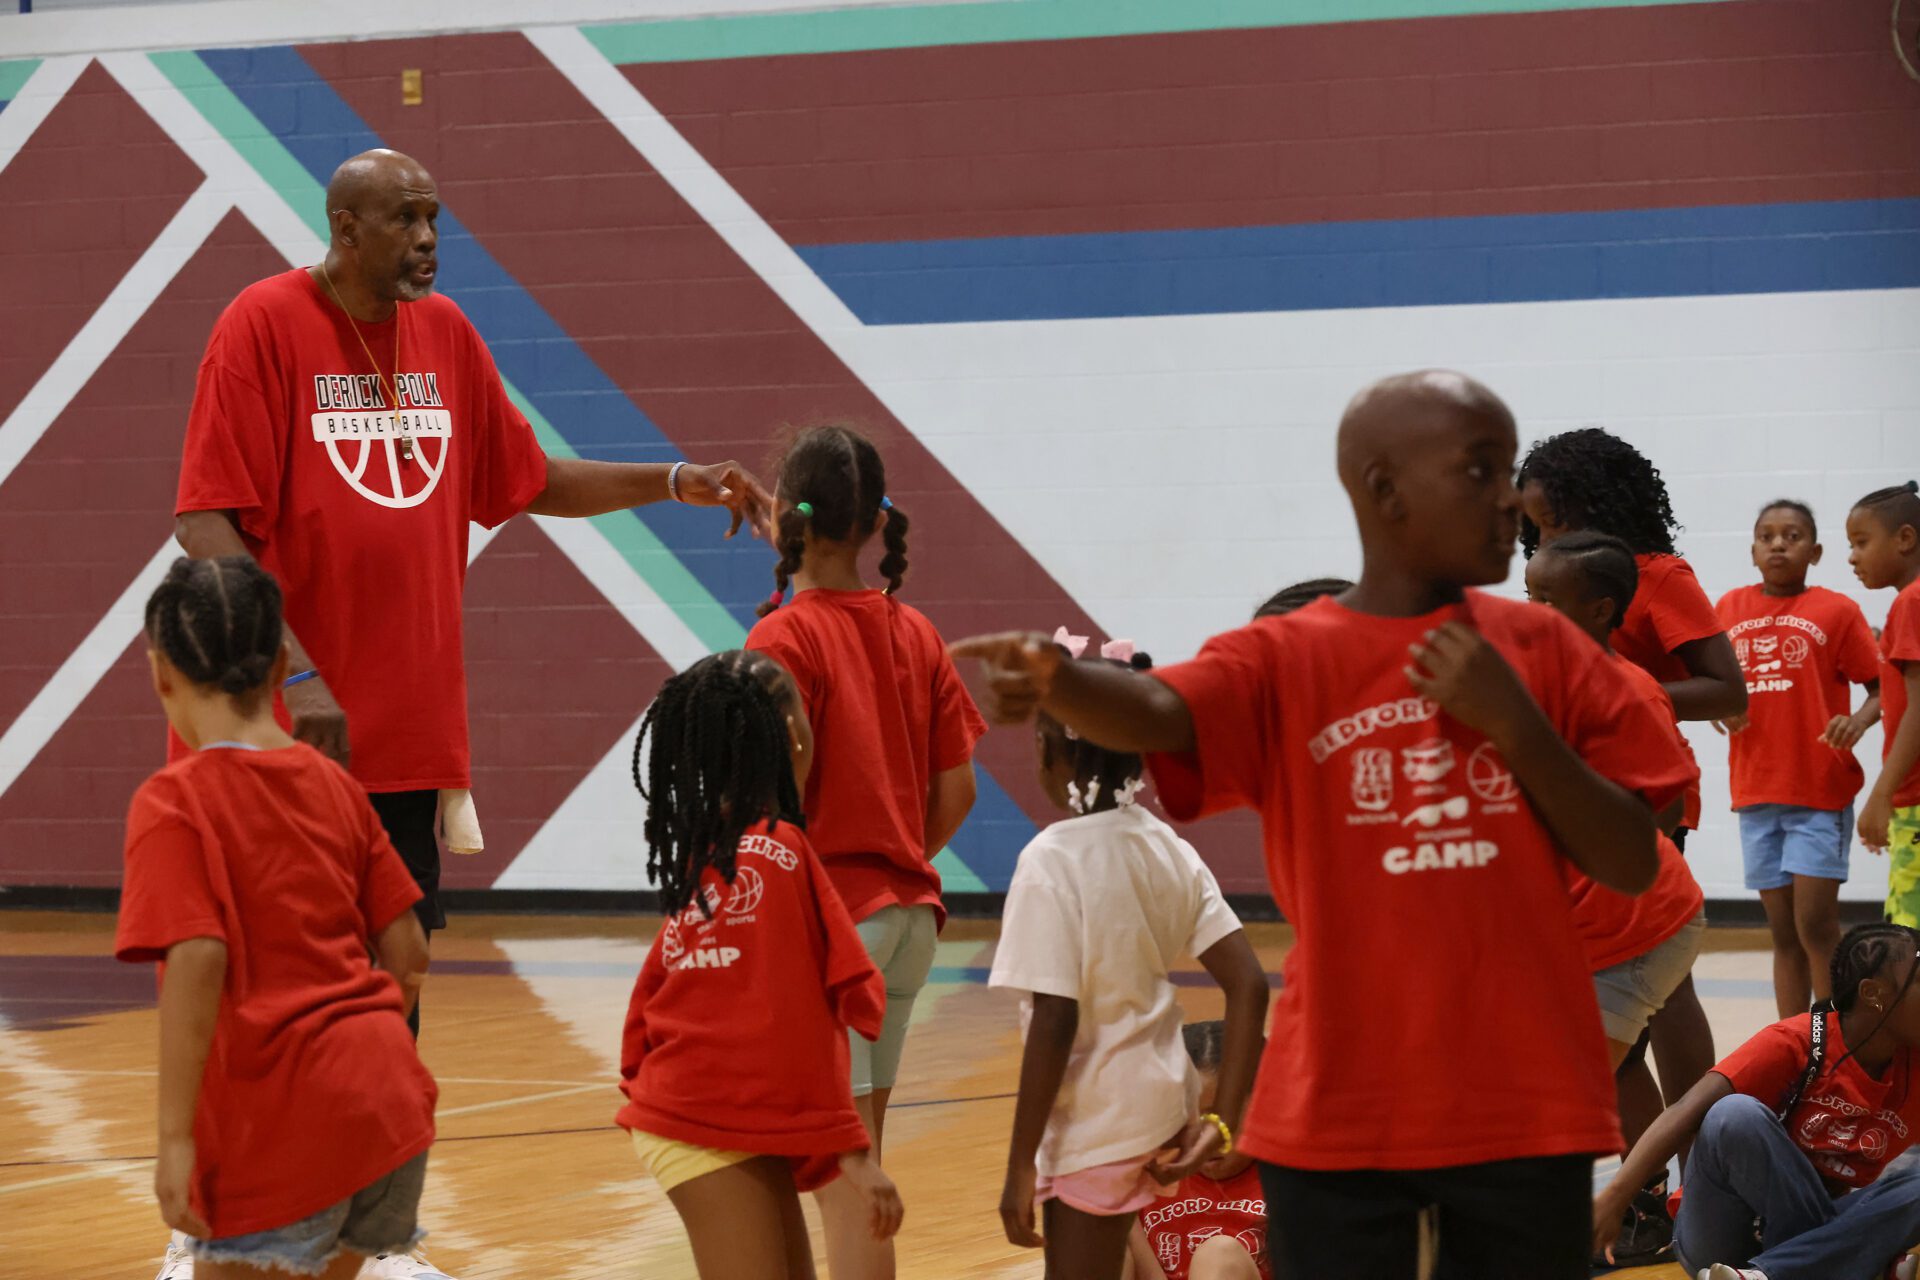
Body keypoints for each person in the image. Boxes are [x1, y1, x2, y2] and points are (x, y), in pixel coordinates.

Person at [163, 148, 770, 1280]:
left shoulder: (446, 338)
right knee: (271, 993)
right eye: (405, 218)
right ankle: (212, 1224)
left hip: (405, 741)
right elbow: (206, 521)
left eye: (436, 214)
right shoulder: (261, 325)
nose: (430, 236)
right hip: (285, 745)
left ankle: (377, 1233)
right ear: (345, 228)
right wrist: (291, 677)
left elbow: (529, 479)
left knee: (392, 985)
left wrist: (678, 478)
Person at [954, 369, 1696, 1279]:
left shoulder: (1547, 652)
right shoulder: (1284, 658)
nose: (1510, 501)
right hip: (1336, 1100)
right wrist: (1063, 683)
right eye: (1479, 472)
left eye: (1509, 473)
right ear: (1383, 489)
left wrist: (1515, 726)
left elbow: (1629, 859)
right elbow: (1155, 711)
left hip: (1523, 1094)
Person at [117, 557, 438, 1280]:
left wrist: (173, 1140)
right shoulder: (336, 786)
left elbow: (198, 959)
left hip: (279, 1120)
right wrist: (363, 1044)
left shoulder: (173, 803)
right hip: (389, 1106)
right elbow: (409, 951)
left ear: (160, 670)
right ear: (282, 664)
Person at [743, 424, 985, 1279]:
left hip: (837, 933)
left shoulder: (781, 640)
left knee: (844, 1193)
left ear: (784, 517)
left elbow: (762, 812)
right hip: (912, 923)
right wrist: (895, 854)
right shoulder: (914, 631)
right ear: (876, 523)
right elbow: (959, 790)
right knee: (862, 1176)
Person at [615, 650, 903, 1279]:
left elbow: (651, 993)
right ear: (792, 732)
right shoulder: (780, 851)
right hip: (698, 1119)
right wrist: (850, 1151)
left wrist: (642, 1075)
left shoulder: (719, 845)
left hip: (713, 1110)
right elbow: (800, 1018)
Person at [990, 634, 1268, 1280]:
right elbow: (1250, 984)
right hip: (1166, 1113)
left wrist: (1017, 1166)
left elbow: (1055, 1018)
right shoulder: (1167, 846)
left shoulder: (1053, 857)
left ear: (1052, 753)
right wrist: (1221, 1123)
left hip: (1097, 1119)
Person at [1517, 425, 1736, 1212]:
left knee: (1636, 1019)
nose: (1544, 537)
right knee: (1636, 1017)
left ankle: (1686, 1182)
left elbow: (1727, 691)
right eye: (1536, 528)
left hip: (1641, 804)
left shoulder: (1658, 576)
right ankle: (1669, 1190)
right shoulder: (1558, 598)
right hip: (1592, 806)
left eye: (1555, 520)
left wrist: (1606, 696)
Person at [1525, 532, 1709, 1267]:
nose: (1532, 610)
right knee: (1617, 1071)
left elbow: (1665, 807)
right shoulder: (1538, 680)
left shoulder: (1629, 688)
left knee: (1572, 1088)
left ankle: (1658, 1203)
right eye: (1528, 594)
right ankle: (1657, 1201)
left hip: (1641, 921)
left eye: (1548, 599)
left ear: (1600, 609)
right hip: (1591, 925)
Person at [1592, 923, 1920, 1280]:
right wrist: (1614, 1198)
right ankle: (1854, 1260)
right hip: (1725, 1230)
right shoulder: (1794, 1042)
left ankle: (1775, 1274)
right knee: (1733, 1115)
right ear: (1874, 993)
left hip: (1805, 1228)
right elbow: (1685, 1111)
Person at [1714, 500, 1882, 1014]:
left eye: (1791, 535)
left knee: (1816, 926)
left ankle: (1833, 1036)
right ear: (1752, 551)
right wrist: (1720, 708)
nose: (1778, 543)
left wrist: (1858, 720)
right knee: (1783, 934)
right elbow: (1710, 687)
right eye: (1767, 535)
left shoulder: (1836, 610)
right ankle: (1793, 1043)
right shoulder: (1727, 609)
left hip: (1818, 791)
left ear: (1815, 550)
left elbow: (1881, 689)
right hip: (1756, 791)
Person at [1125, 1022, 1272, 1280]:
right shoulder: (1146, 1165)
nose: (1204, 1139)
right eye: (1186, 1121)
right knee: (1097, 1244)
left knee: (1219, 1256)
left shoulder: (1288, 1179)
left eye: (1218, 1119)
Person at [1849, 482, 1920, 925]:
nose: (1852, 557)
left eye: (1861, 542)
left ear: (1905, 539)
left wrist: (1882, 794)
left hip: (1915, 800)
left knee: (1908, 945)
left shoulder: (1912, 602)